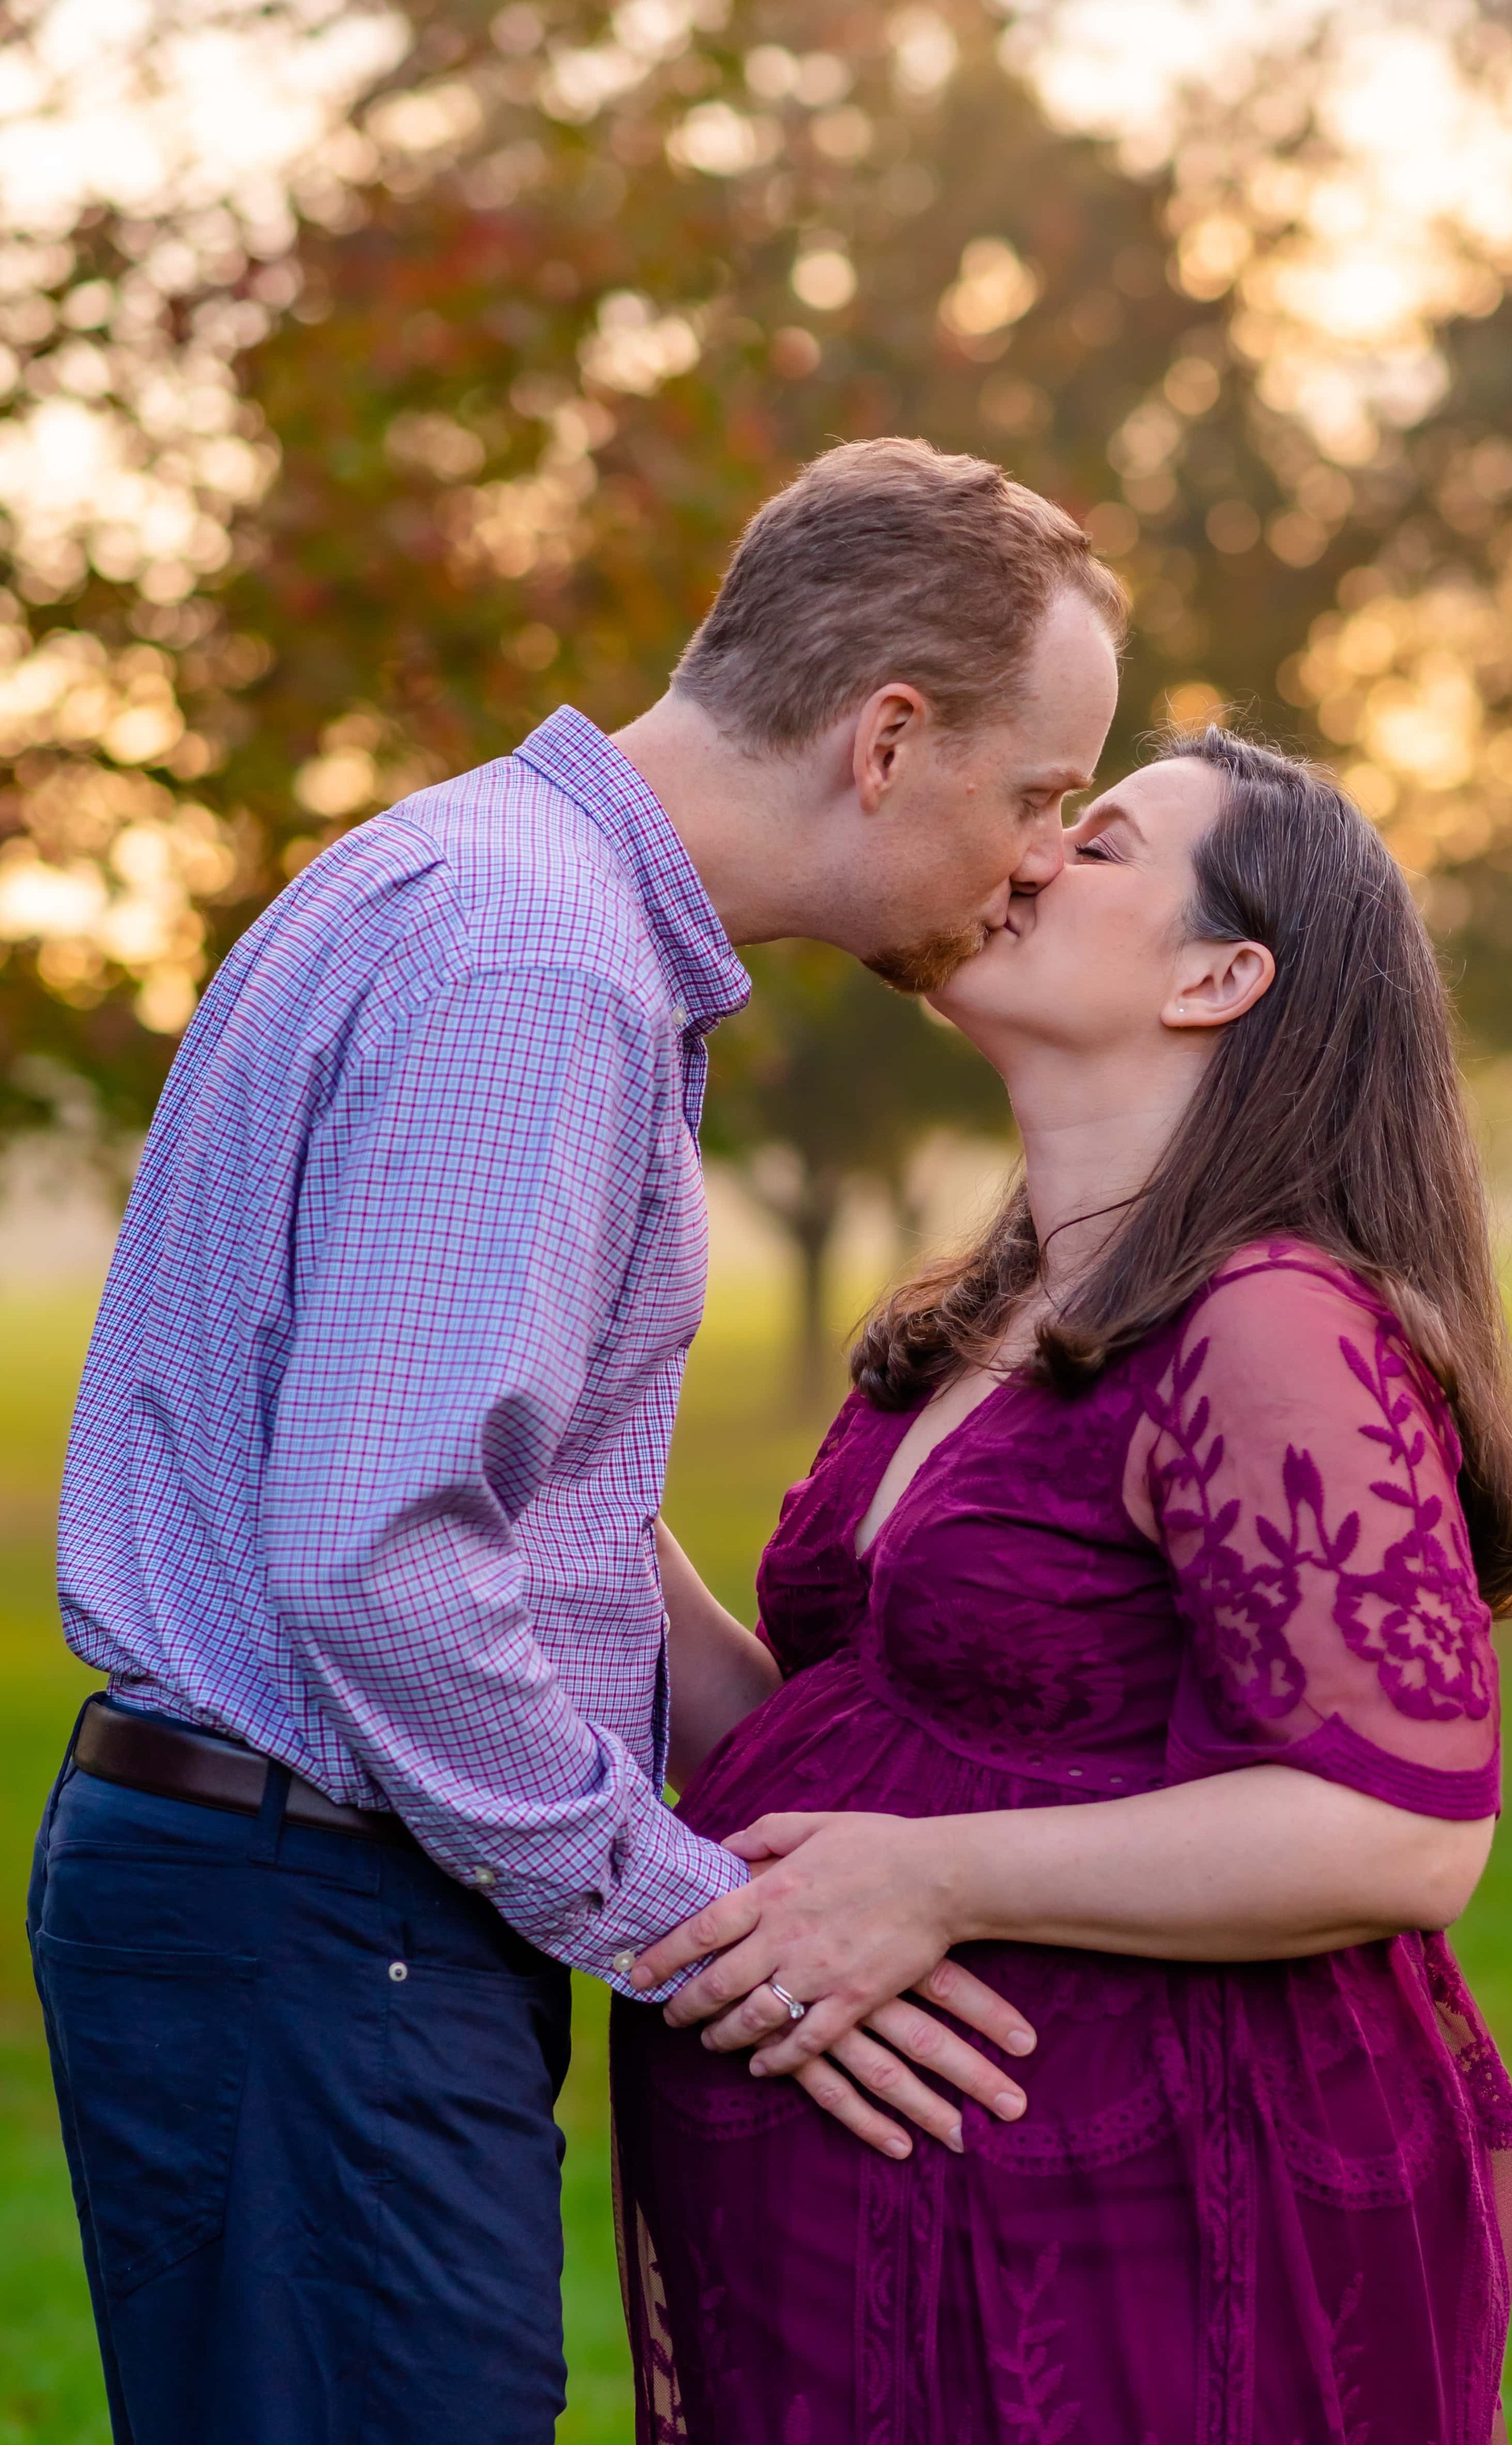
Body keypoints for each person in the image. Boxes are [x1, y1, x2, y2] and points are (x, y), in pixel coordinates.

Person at [26, 439, 1124, 2445]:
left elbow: (510, 1500)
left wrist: (797, 1756)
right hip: (319, 1918)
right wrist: (686, 1919)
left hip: (290, 1898)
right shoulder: (543, 966)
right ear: (887, 738)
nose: (1042, 856)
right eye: (1038, 793)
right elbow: (378, 1555)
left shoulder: (487, 884)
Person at [612, 726, 1512, 2444]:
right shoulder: (981, 1321)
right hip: (888, 2234)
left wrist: (935, 1881)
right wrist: (590, 1492)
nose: (1023, 853)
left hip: (1148, 2234)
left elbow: (1399, 1830)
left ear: (1220, 974)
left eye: (1095, 841)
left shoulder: (1267, 1318)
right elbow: (835, 1737)